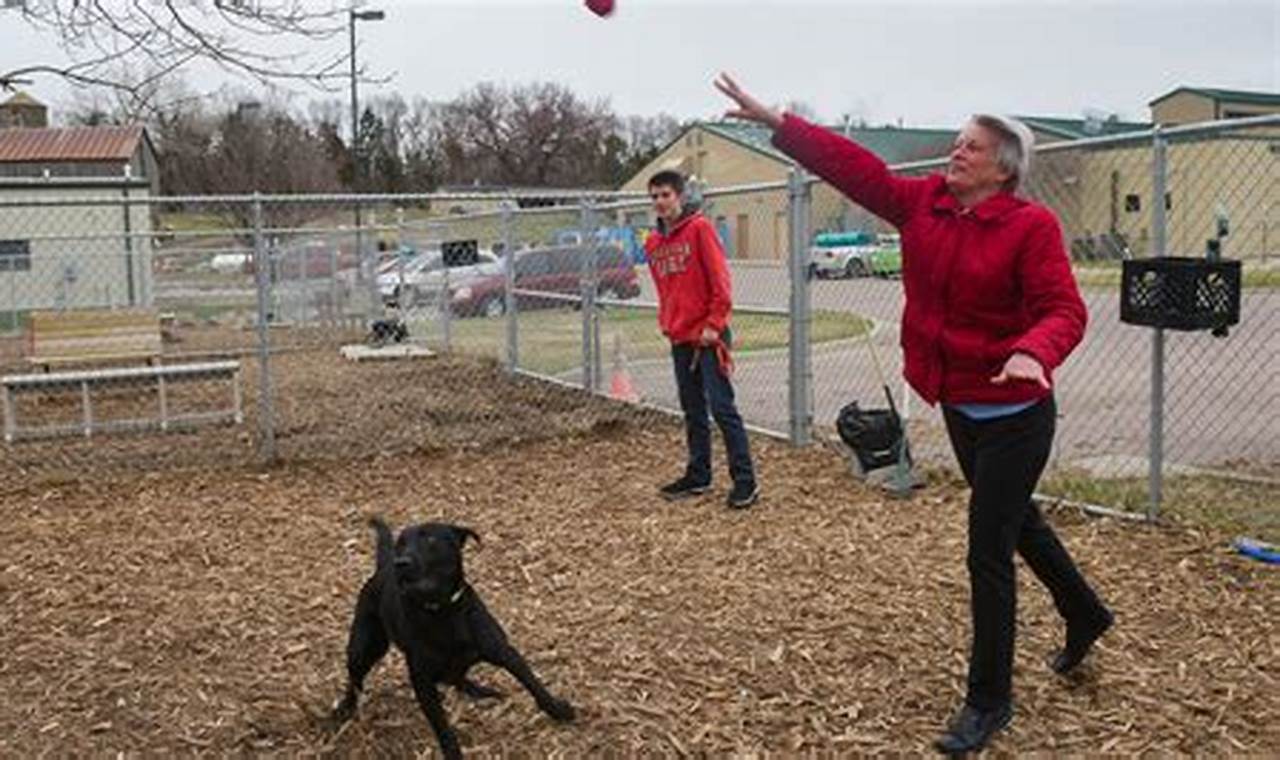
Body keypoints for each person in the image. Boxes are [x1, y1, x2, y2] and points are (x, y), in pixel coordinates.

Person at [714, 73, 1113, 754]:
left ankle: (989, 701)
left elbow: (1063, 311)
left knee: (987, 550)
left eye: (972, 148)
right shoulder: (923, 205)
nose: (955, 153)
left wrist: (1031, 351)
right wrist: (777, 122)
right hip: (960, 403)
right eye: (956, 142)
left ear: (1004, 168)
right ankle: (1085, 612)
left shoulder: (1030, 227)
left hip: (1016, 412)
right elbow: (854, 167)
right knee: (1021, 525)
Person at [644, 169, 760, 510]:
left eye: (665, 195)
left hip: (709, 336)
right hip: (680, 336)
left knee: (722, 408)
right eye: (654, 197)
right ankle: (699, 474)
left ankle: (745, 481)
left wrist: (714, 323)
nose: (660, 202)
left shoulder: (699, 229)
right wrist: (668, 322)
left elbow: (720, 282)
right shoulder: (652, 243)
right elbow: (666, 289)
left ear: (679, 196)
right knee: (692, 409)